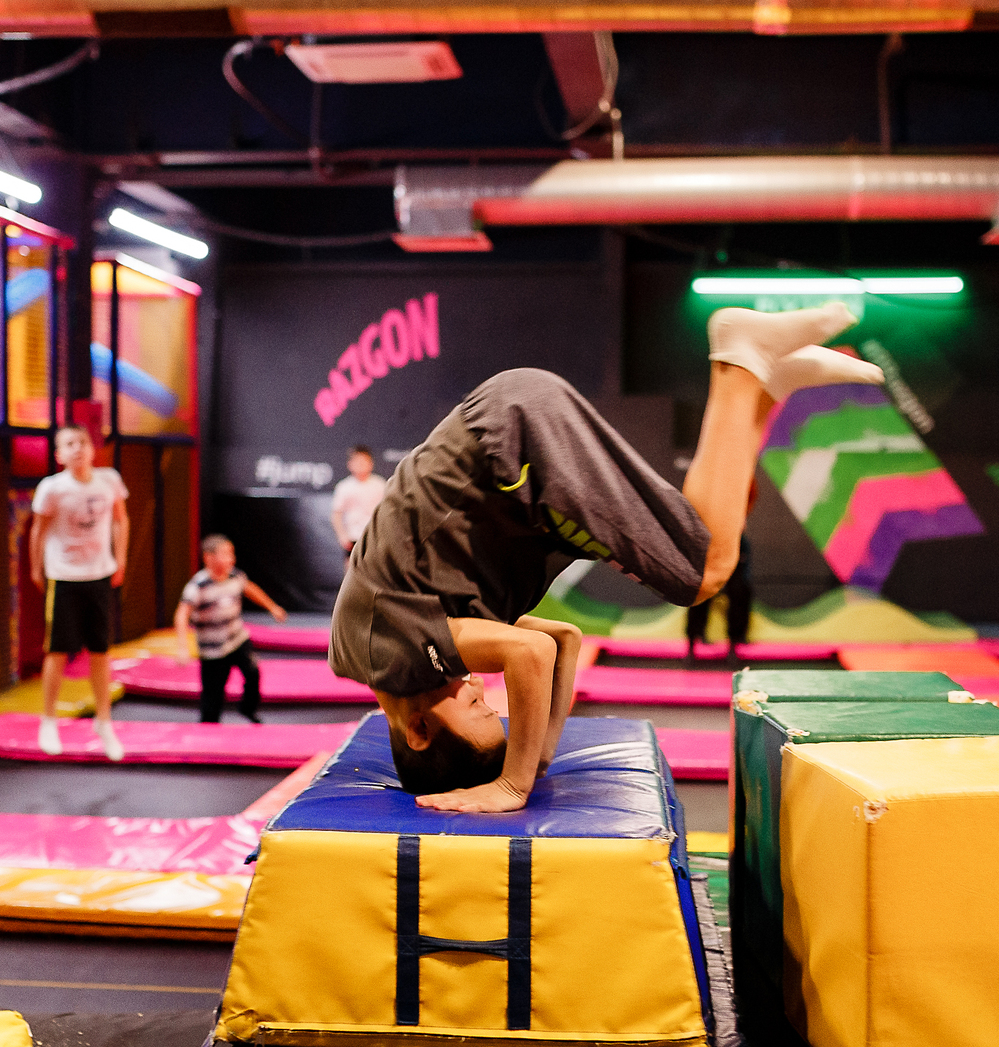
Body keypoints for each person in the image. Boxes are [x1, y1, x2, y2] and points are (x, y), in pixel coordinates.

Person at [329, 301, 883, 812]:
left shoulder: (396, 655)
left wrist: (513, 785)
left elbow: (529, 655)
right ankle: (764, 388)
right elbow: (559, 642)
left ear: (419, 730)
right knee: (697, 544)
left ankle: (741, 364)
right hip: (511, 444)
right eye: (490, 705)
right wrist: (538, 760)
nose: (477, 686)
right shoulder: (375, 651)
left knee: (704, 570)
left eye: (474, 706)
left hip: (509, 457)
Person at [30, 424, 127, 760]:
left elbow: (120, 519)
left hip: (99, 575)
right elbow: (38, 530)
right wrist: (36, 567)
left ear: (92, 449)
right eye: (70, 444)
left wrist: (120, 558)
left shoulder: (109, 480)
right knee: (57, 650)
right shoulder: (52, 488)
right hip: (64, 576)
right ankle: (48, 720)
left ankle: (104, 720)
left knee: (100, 651)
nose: (78, 448)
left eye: (83, 442)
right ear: (59, 454)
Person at [175, 535, 288, 724]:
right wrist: (182, 646)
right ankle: (209, 726)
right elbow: (181, 614)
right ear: (209, 558)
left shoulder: (235, 576)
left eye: (231, 554)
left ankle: (247, 708)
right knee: (213, 696)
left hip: (237, 639)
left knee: (253, 673)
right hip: (213, 651)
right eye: (225, 554)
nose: (231, 559)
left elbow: (250, 589)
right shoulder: (198, 586)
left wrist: (272, 607)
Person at [686, 481, 757, 663]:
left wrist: (741, 515)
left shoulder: (740, 478)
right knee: (700, 591)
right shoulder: (711, 479)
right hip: (708, 539)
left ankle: (735, 642)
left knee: (740, 590)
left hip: (732, 540)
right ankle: (692, 642)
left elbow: (750, 494)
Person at [331, 445, 390, 556]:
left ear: (371, 463)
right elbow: (336, 514)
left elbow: (388, 511)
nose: (361, 464)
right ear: (350, 464)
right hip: (352, 537)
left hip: (375, 537)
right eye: (357, 461)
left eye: (364, 461)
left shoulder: (380, 484)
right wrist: (342, 536)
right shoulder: (344, 486)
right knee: (351, 565)